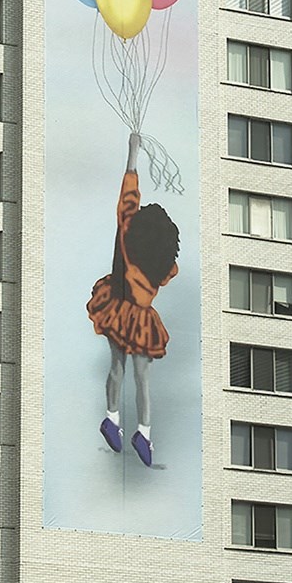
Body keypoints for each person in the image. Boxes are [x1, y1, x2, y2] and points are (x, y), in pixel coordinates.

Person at [87, 131, 180, 466]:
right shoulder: (162, 265)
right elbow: (171, 272)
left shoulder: (127, 229)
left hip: (116, 306)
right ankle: (144, 431)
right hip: (141, 318)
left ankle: (111, 418)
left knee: (116, 368)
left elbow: (128, 195)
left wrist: (133, 152)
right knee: (143, 378)